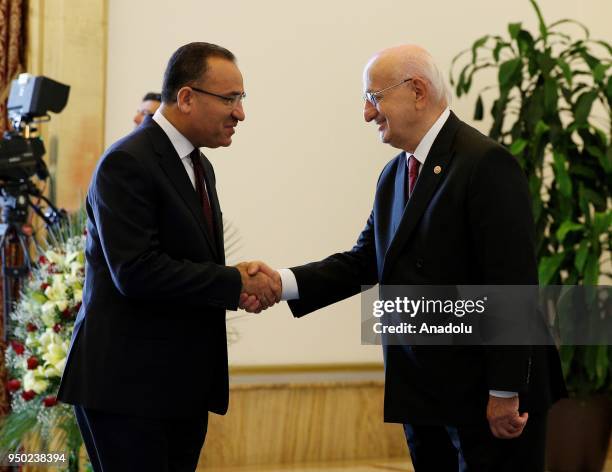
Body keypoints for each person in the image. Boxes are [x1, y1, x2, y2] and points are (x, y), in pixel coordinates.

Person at [244, 45, 566, 471]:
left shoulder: (485, 163)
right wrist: (281, 283)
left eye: (374, 97)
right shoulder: (395, 173)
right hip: (424, 394)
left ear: (417, 90)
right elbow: (363, 261)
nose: (366, 113)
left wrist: (505, 391)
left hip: (484, 395)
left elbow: (511, 283)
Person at [57, 42, 280, 472]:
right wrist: (234, 283)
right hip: (128, 389)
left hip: (178, 388)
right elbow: (136, 271)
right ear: (186, 97)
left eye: (242, 99)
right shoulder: (127, 161)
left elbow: (184, 260)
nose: (240, 113)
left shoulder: (199, 165)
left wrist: (235, 278)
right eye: (230, 98)